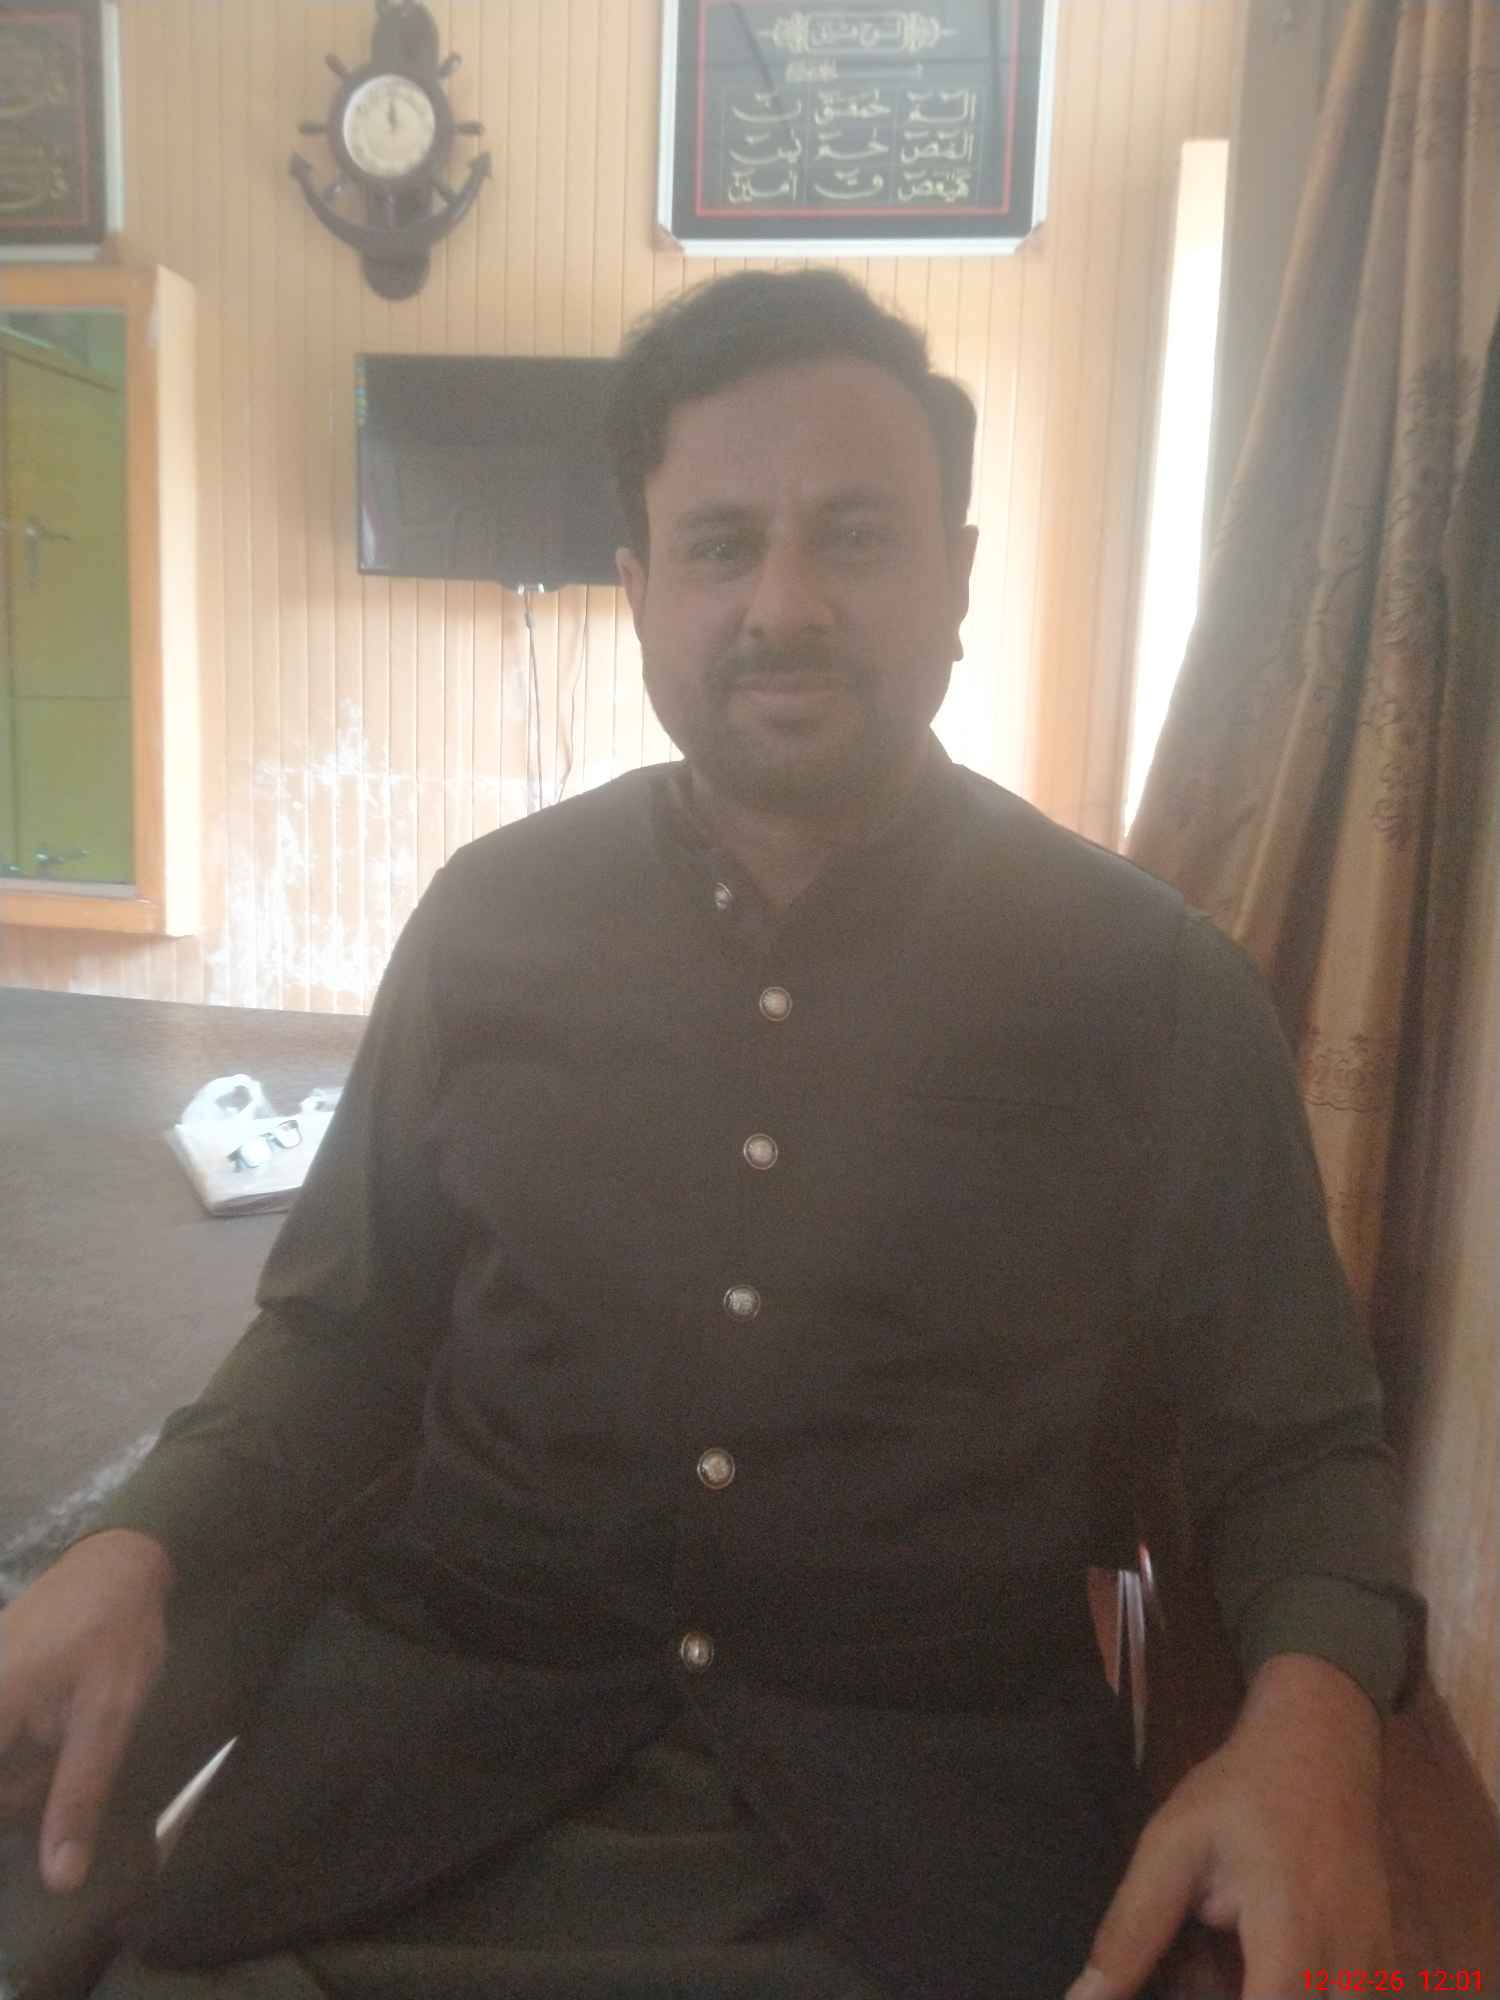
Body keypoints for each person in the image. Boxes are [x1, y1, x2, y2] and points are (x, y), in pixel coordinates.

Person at [0, 270, 1418, 2000]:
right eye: (722, 545)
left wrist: (1313, 1726)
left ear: (960, 578)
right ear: (639, 590)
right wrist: (133, 1546)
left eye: (857, 539)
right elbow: (339, 1331)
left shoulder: (1154, 989)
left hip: (920, 1862)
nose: (784, 605)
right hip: (401, 1802)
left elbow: (1297, 1445)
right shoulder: (488, 921)